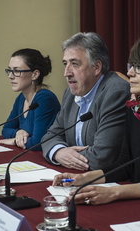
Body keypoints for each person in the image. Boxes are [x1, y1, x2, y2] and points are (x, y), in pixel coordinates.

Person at [52, 36, 140, 205]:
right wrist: (84, 178)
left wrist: (113, 192)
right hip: (137, 196)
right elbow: (125, 164)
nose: (130, 73)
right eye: (131, 66)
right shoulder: (136, 109)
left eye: (139, 67)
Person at [41, 32, 130, 171]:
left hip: (110, 182)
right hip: (75, 176)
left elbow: (101, 157)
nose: (67, 72)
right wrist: (59, 152)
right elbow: (50, 136)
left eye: (75, 64)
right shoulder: (70, 94)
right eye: (65, 64)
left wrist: (68, 156)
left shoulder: (115, 93)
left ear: (96, 67)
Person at [0, 48, 60, 151]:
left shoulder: (44, 99)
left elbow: (38, 143)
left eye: (16, 71)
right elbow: (6, 130)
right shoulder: (21, 98)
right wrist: (18, 132)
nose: (10, 76)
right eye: (9, 70)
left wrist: (13, 141)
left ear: (35, 74)